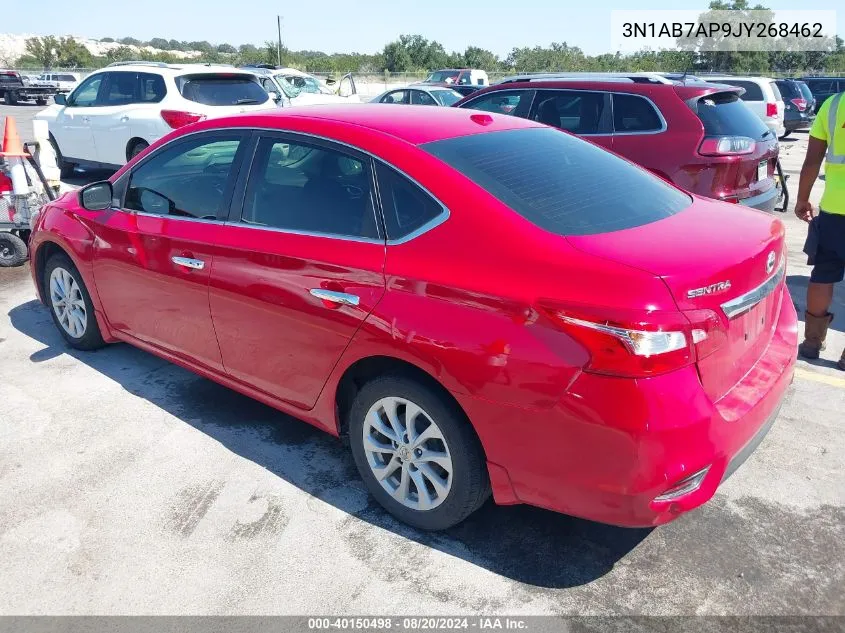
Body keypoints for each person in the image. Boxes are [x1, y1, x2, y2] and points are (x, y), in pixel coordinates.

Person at [795, 88, 845, 370]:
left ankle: (812, 342)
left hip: (835, 209)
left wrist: (803, 198)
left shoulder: (833, 105)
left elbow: (812, 160)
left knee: (823, 274)